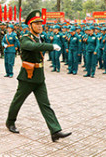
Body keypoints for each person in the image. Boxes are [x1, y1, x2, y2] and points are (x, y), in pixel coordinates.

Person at [6, 10, 71, 142]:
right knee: (18, 101)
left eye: (41, 23)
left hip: (39, 77)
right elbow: (32, 46)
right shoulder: (25, 38)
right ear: (30, 26)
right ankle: (10, 122)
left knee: (45, 104)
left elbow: (38, 45)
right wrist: (51, 46)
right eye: (36, 24)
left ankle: (55, 130)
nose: (40, 26)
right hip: (27, 77)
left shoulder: (40, 37)